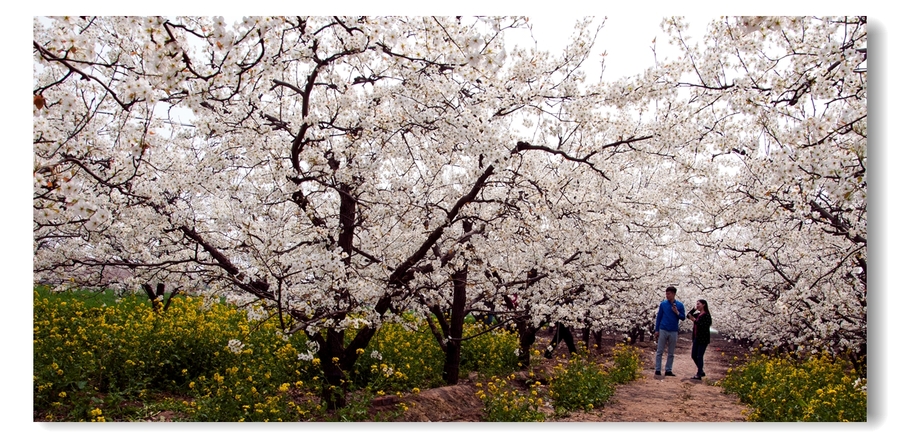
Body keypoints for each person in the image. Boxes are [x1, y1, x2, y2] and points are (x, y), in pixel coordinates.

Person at [654, 286, 685, 376]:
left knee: (671, 352)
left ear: (674, 294)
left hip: (673, 330)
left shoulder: (679, 305)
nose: (667, 295)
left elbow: (683, 317)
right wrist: (657, 330)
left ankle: (668, 370)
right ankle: (658, 369)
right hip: (663, 329)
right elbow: (659, 317)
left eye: (669, 294)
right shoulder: (663, 304)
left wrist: (677, 312)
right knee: (660, 350)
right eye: (666, 294)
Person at [687, 299, 712, 380]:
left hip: (703, 339)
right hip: (696, 338)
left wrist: (695, 321)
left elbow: (704, 326)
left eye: (699, 304)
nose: (697, 305)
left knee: (699, 356)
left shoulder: (707, 315)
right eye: (696, 304)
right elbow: (688, 315)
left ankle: (699, 374)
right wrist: (694, 309)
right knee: (694, 355)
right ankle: (701, 371)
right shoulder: (697, 314)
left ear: (704, 305)